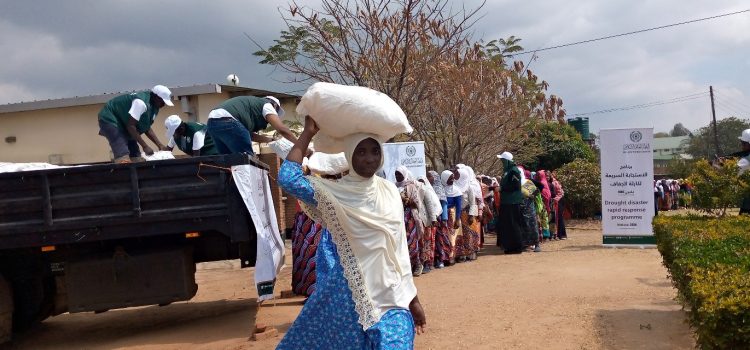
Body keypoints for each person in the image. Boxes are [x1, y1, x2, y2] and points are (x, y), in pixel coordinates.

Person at [277, 117, 425, 348]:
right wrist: (306, 134)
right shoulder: (334, 194)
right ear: (349, 156)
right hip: (350, 297)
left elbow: (398, 250)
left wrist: (413, 299)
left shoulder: (389, 191)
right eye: (361, 152)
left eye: (375, 151)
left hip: (392, 296)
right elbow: (288, 178)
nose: (369, 158)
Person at [97, 85, 174, 163]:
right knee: (122, 151)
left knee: (135, 154)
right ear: (156, 97)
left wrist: (159, 145)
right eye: (162, 101)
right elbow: (130, 126)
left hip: (125, 122)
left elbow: (146, 127)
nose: (163, 105)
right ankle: (122, 166)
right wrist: (145, 146)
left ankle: (135, 171)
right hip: (110, 118)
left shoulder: (154, 106)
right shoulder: (140, 103)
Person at [206, 95, 298, 155]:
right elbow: (282, 129)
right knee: (245, 159)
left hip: (212, 123)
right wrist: (300, 146)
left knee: (227, 160)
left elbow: (246, 134)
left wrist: (270, 140)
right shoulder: (267, 105)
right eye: (276, 112)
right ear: (274, 106)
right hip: (229, 120)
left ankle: (229, 184)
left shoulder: (250, 107)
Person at [395, 166, 428, 276]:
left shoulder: (411, 187)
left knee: (412, 242)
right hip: (398, 219)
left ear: (404, 174)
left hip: (410, 218)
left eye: (400, 174)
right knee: (401, 243)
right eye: (396, 174)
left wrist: (406, 200)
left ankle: (418, 264)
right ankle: (406, 266)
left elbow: (417, 203)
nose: (398, 176)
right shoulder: (394, 187)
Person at [497, 152, 524, 254]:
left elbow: (516, 186)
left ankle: (517, 247)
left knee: (514, 225)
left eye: (502, 160)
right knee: (507, 225)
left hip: (513, 202)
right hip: (506, 202)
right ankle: (509, 246)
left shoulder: (514, 171)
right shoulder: (506, 171)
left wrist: (502, 188)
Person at [417, 175, 442, 274]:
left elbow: (431, 206)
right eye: (419, 181)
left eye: (422, 181)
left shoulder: (427, 191)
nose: (421, 183)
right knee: (420, 243)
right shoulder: (416, 191)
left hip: (427, 221)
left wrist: (433, 219)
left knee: (427, 242)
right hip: (418, 221)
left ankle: (427, 263)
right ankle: (420, 264)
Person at [427, 170, 451, 269]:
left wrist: (444, 218)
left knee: (440, 239)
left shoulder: (439, 189)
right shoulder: (427, 188)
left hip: (440, 218)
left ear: (435, 177)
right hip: (431, 218)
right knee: (432, 240)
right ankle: (433, 260)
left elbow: (444, 204)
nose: (428, 178)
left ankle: (442, 259)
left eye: (429, 176)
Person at [550, 171, 567, 240]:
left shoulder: (555, 182)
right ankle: (557, 234)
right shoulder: (551, 182)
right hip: (555, 201)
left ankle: (562, 235)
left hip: (559, 200)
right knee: (555, 218)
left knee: (559, 217)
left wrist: (555, 199)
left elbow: (560, 193)